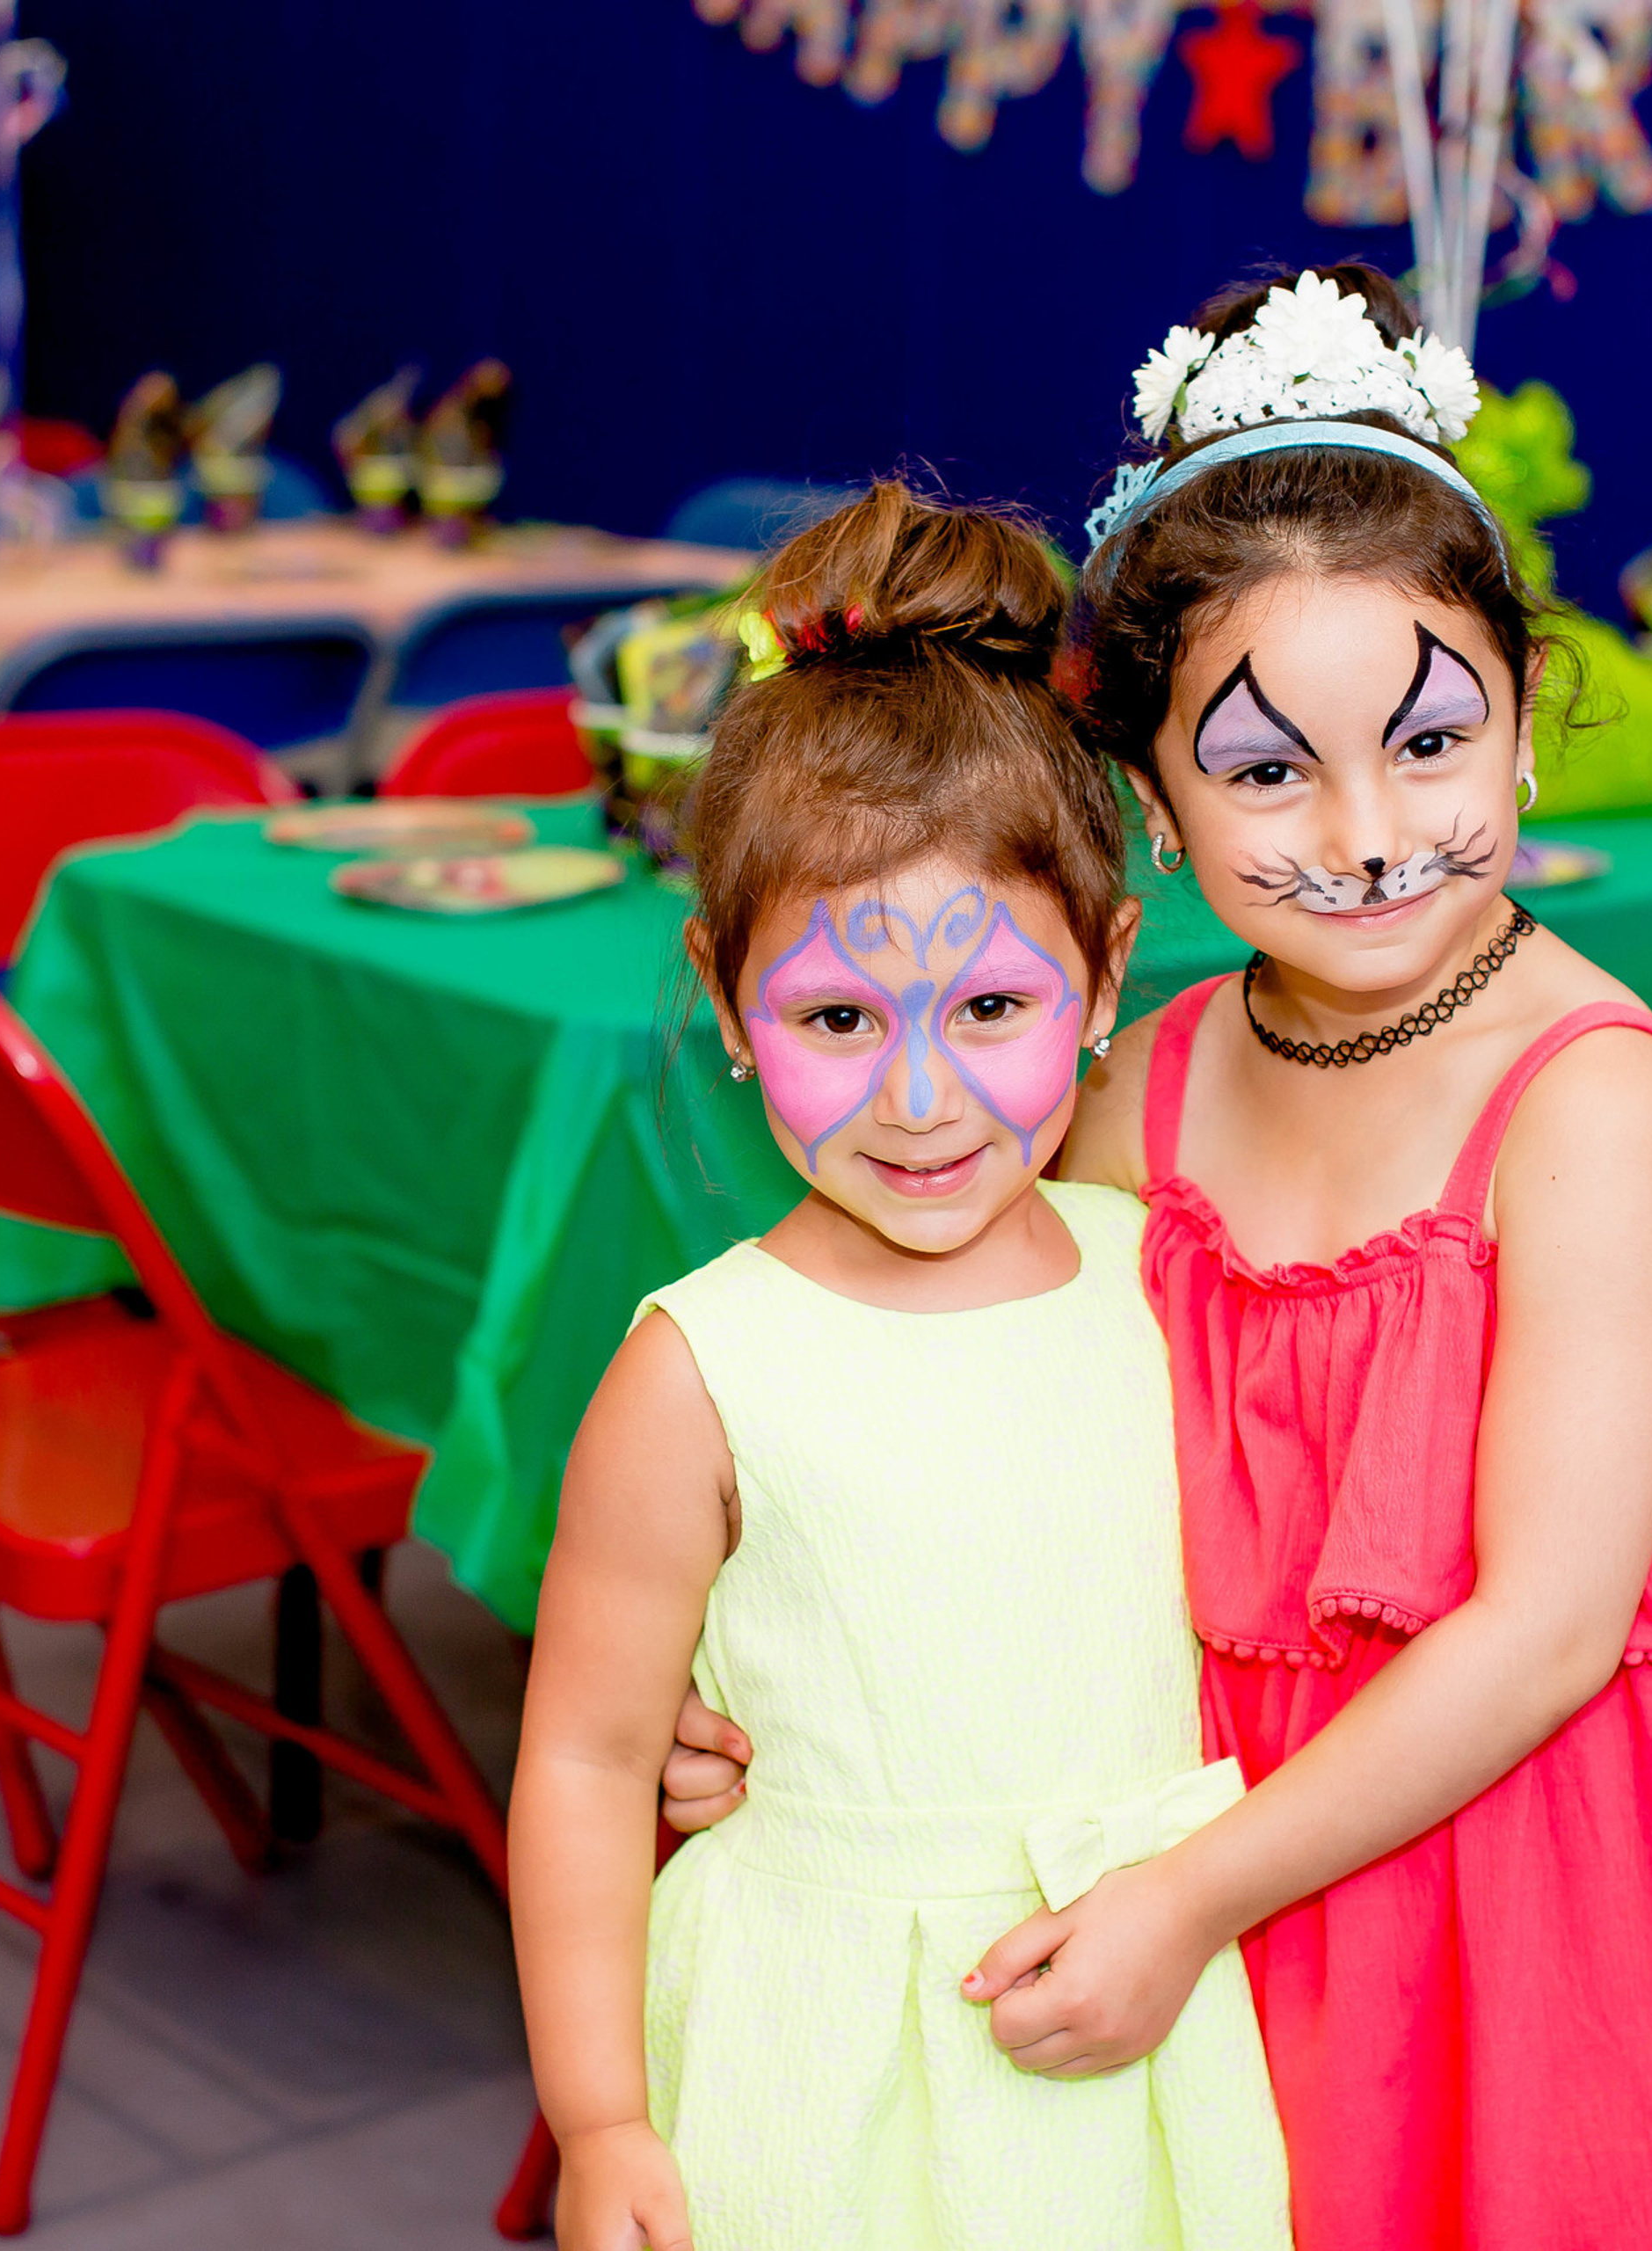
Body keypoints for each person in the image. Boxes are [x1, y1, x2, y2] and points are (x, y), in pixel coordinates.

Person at [660, 267, 1652, 2251]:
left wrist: (1189, 1897)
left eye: (1430, 740)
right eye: (1261, 769)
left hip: (1509, 1887)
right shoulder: (1131, 1094)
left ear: (1525, 718)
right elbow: (941, 1423)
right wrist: (746, 1689)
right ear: (1148, 794)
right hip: (1173, 1847)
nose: (1365, 830)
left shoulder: (1589, 1107)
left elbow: (1546, 1628)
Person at [507, 482, 1290, 2251]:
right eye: (838, 1017)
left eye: (989, 1008)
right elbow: (585, 1761)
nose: (919, 1098)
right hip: (809, 2060)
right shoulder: (699, 1371)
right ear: (728, 1000)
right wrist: (600, 2112)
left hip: (1136, 2033)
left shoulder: (1162, 1273)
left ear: (1104, 973)